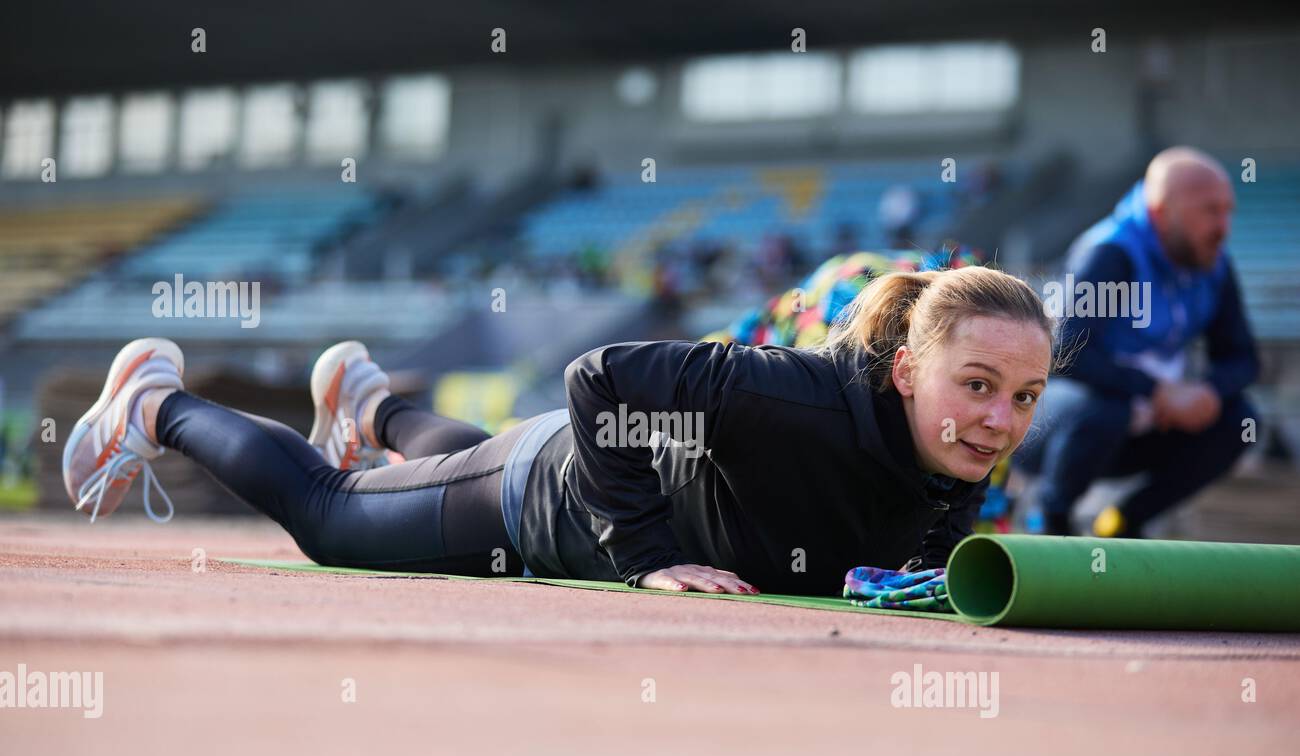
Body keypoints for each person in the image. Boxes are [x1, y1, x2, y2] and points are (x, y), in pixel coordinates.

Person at [62, 267, 1055, 597]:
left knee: (456, 456)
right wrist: (650, 556)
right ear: (905, 370)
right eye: (977, 384)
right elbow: (600, 375)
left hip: (568, 470)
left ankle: (368, 401)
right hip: (551, 500)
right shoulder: (786, 390)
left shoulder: (949, 446)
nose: (998, 420)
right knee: (329, 518)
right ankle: (156, 401)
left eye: (1023, 396)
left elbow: (921, 530)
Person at [1020, 147, 1260, 537]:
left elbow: (1243, 357)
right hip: (1057, 425)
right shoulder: (1112, 254)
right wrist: (1156, 392)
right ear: (1162, 213)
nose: (1224, 226)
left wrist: (1209, 392)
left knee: (1240, 419)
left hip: (1140, 425)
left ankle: (1123, 523)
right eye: (1210, 211)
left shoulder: (1211, 260)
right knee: (1107, 409)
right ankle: (1051, 523)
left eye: (1227, 211)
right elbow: (1063, 351)